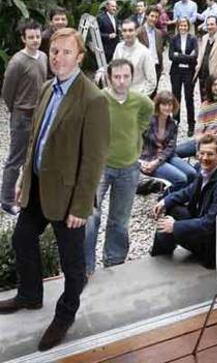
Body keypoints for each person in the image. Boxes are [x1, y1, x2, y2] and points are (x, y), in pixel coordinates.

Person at [0, 28, 110, 352]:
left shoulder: (93, 99)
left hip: (68, 198)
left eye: (66, 52)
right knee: (22, 237)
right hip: (37, 187)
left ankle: (65, 315)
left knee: (73, 267)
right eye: (55, 51)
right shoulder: (48, 87)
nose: (58, 57)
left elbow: (94, 160)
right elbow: (36, 140)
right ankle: (31, 295)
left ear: (79, 57)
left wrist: (80, 206)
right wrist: (23, 177)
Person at [84, 59, 153, 276]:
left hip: (129, 168)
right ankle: (86, 266)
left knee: (119, 219)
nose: (122, 81)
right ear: (109, 77)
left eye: (126, 77)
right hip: (100, 168)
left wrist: (137, 133)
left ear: (132, 77)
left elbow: (149, 111)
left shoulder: (140, 101)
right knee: (90, 216)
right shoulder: (99, 99)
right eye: (117, 77)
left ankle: (114, 263)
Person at [151, 134, 217, 268]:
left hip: (213, 245)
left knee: (169, 224)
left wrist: (175, 226)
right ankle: (160, 254)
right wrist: (165, 201)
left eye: (210, 154)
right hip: (203, 226)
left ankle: (158, 258)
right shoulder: (204, 170)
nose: (204, 158)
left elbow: (211, 224)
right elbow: (189, 190)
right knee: (172, 208)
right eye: (201, 153)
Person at [1, 21, 47, 216]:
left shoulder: (44, 57)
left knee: (35, 157)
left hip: (40, 115)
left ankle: (28, 195)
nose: (35, 40)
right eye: (31, 37)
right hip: (22, 116)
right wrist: (17, 110)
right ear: (23, 39)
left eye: (37, 36)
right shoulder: (17, 62)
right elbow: (7, 92)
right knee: (16, 159)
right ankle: (6, 199)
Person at [139, 91, 197, 191]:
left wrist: (157, 162)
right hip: (148, 158)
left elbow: (170, 148)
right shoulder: (148, 121)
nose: (167, 107)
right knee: (181, 179)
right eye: (164, 104)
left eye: (170, 104)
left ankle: (185, 198)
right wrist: (139, 162)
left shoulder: (172, 124)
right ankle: (168, 201)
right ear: (158, 105)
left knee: (192, 173)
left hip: (166, 157)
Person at [176, 74, 217, 163]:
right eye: (215, 85)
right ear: (210, 86)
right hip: (203, 141)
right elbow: (199, 128)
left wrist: (211, 143)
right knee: (175, 152)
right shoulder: (205, 105)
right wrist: (201, 143)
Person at [169, 17, 198, 136]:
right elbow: (170, 56)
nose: (183, 28)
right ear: (178, 27)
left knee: (189, 98)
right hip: (176, 72)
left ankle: (191, 124)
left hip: (189, 72)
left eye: (185, 25)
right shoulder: (173, 39)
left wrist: (179, 55)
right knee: (176, 98)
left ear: (188, 27)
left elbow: (195, 56)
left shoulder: (193, 39)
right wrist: (186, 56)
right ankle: (175, 122)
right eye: (181, 25)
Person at [113, 18, 156, 96]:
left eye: (130, 30)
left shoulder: (145, 52)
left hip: (136, 98)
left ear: (136, 31)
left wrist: (139, 98)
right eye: (124, 31)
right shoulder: (118, 47)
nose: (127, 33)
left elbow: (152, 81)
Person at [137, 5, 164, 88]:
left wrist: (161, 65)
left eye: (156, 17)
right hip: (144, 67)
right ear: (146, 16)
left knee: (155, 92)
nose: (154, 19)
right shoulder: (138, 32)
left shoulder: (159, 33)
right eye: (152, 16)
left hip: (156, 66)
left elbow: (160, 50)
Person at [40, 7, 69, 76]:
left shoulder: (70, 36)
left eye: (63, 19)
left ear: (67, 21)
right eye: (57, 19)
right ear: (51, 22)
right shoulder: (45, 38)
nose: (60, 22)